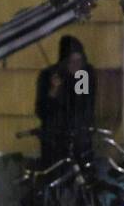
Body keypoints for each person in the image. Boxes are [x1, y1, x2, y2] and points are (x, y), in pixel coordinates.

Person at [34, 35, 95, 168]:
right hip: (54, 141)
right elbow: (41, 110)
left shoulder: (83, 75)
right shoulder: (48, 75)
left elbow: (84, 106)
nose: (76, 66)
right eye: (72, 62)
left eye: (79, 61)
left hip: (78, 140)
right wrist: (54, 91)